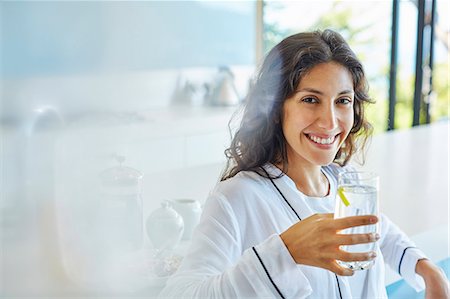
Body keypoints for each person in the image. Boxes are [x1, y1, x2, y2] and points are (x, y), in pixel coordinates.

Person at [158, 29, 448, 298]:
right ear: (273, 108)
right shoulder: (237, 197)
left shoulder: (344, 181)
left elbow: (378, 229)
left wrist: (423, 266)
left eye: (342, 101)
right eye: (311, 99)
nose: (330, 121)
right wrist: (285, 252)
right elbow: (181, 293)